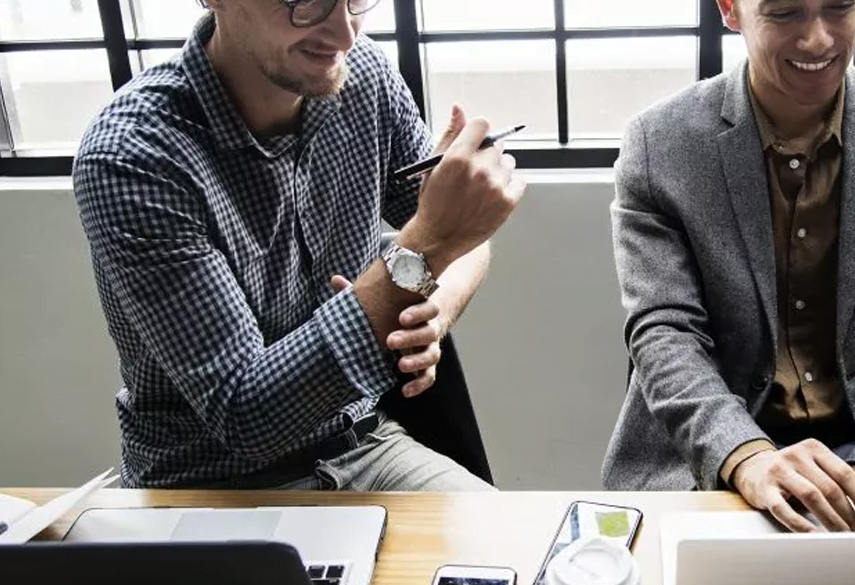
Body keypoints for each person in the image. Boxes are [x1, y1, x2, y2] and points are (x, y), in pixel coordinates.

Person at [71, 0, 524, 490]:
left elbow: (457, 234)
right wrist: (427, 246)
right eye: (305, 1)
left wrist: (436, 314)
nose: (345, 34)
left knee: (514, 537)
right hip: (208, 482)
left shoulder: (361, 74)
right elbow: (246, 417)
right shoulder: (133, 155)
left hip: (364, 443)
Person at [602, 0, 855, 532]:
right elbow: (664, 331)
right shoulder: (659, 144)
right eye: (785, 14)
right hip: (719, 448)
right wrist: (745, 454)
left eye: (839, 8)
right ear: (730, 10)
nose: (818, 39)